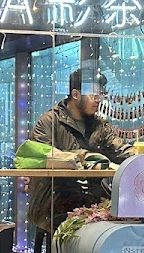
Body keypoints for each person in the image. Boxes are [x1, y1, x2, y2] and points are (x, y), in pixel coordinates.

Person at [26, 68, 132, 233]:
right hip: (55, 200)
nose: (98, 100)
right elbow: (40, 156)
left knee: (126, 221)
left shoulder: (99, 125)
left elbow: (119, 148)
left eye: (100, 94)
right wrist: (86, 157)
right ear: (75, 94)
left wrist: (141, 157)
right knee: (89, 230)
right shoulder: (50, 122)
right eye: (93, 95)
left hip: (92, 198)